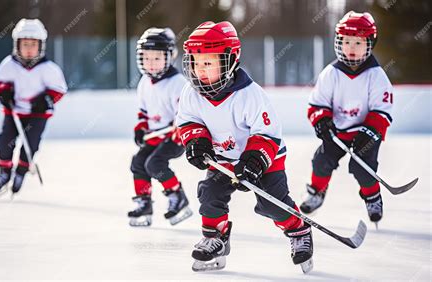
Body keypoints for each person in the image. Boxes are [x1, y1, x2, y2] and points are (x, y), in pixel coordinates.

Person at [176, 21, 313, 272]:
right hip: (223, 159)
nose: (200, 70)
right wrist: (196, 141)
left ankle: (298, 230)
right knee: (210, 193)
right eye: (196, 63)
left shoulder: (250, 95)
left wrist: (253, 161)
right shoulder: (191, 93)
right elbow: (188, 122)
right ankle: (214, 238)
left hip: (264, 159)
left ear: (230, 61)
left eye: (208, 63)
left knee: (271, 203)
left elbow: (268, 135)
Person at [300, 11, 393, 227]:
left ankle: (372, 197)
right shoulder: (330, 74)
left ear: (370, 43)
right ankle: (316, 193)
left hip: (366, 133)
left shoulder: (377, 76)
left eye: (358, 43)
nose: (351, 48)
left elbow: (382, 110)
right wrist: (321, 121)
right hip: (337, 131)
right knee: (322, 161)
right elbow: (317, 104)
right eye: (346, 42)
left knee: (363, 168)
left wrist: (370, 131)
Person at [0, 18, 67, 198]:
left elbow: (60, 89)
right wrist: (4, 92)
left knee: (30, 145)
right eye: (25, 44)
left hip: (37, 115)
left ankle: (21, 172)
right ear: (17, 45)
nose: (29, 49)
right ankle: (4, 172)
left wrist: (46, 99)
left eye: (33, 44)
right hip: (14, 112)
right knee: (4, 142)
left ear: (41, 46)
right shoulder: (9, 65)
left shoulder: (48, 68)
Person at [128, 27, 192, 227]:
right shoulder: (144, 83)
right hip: (156, 135)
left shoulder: (177, 82)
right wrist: (140, 128)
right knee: (138, 162)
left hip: (176, 136)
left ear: (169, 57)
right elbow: (143, 112)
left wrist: (178, 125)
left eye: (157, 58)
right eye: (147, 58)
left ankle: (177, 196)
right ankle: (144, 203)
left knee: (154, 164)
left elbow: (186, 112)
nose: (151, 63)